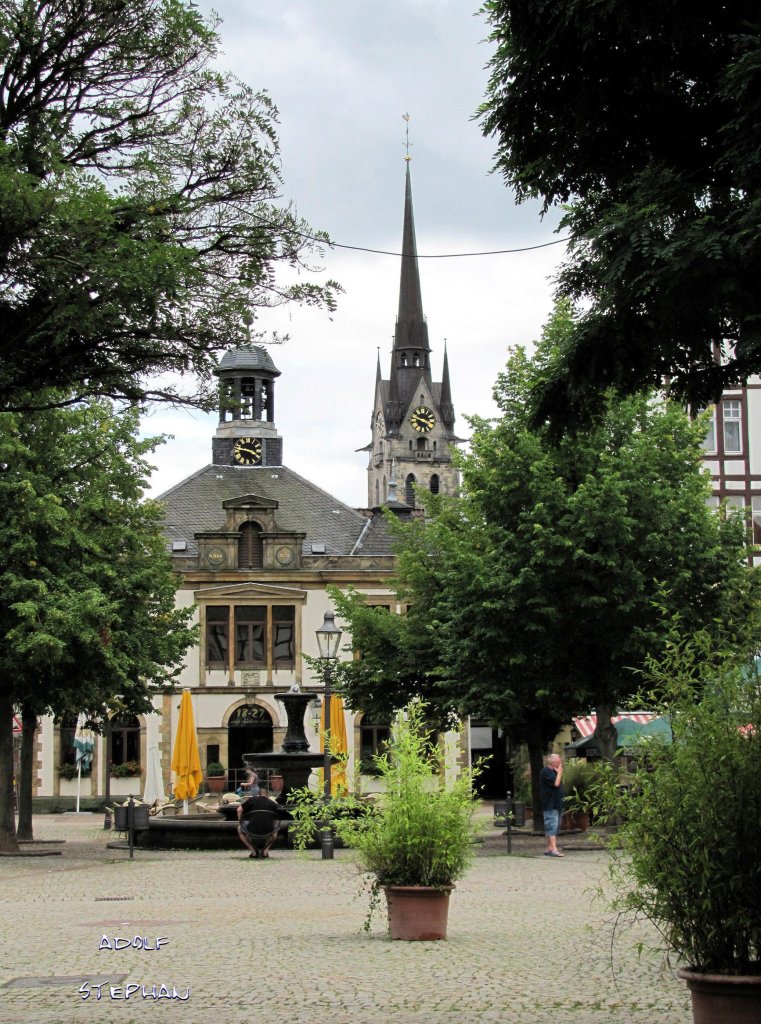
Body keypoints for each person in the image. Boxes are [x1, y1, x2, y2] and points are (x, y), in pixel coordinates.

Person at [236, 788, 280, 859]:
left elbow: (239, 810)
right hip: (268, 830)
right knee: (275, 831)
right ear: (268, 795)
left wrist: (240, 822)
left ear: (258, 795)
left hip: (251, 829)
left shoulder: (252, 800)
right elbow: (275, 819)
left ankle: (253, 851)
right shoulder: (272, 803)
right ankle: (265, 851)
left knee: (239, 829)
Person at [540, 753, 565, 857]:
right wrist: (559, 773)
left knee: (554, 826)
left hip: (557, 804)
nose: (560, 763)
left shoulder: (553, 771)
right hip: (550, 804)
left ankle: (549, 848)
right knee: (552, 825)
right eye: (559, 761)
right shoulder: (546, 772)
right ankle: (554, 849)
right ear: (554, 762)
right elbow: (556, 784)